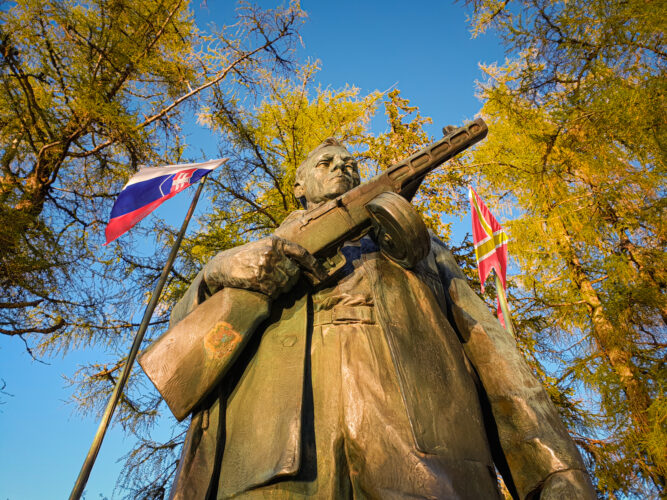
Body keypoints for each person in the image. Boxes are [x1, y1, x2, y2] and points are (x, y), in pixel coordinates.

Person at [166, 138, 595, 499]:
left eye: (351, 164)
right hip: (262, 466)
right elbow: (179, 347)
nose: (342, 168)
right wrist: (214, 271)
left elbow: (492, 350)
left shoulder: (423, 248)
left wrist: (554, 468)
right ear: (299, 185)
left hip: (426, 467)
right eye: (326, 162)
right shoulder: (252, 258)